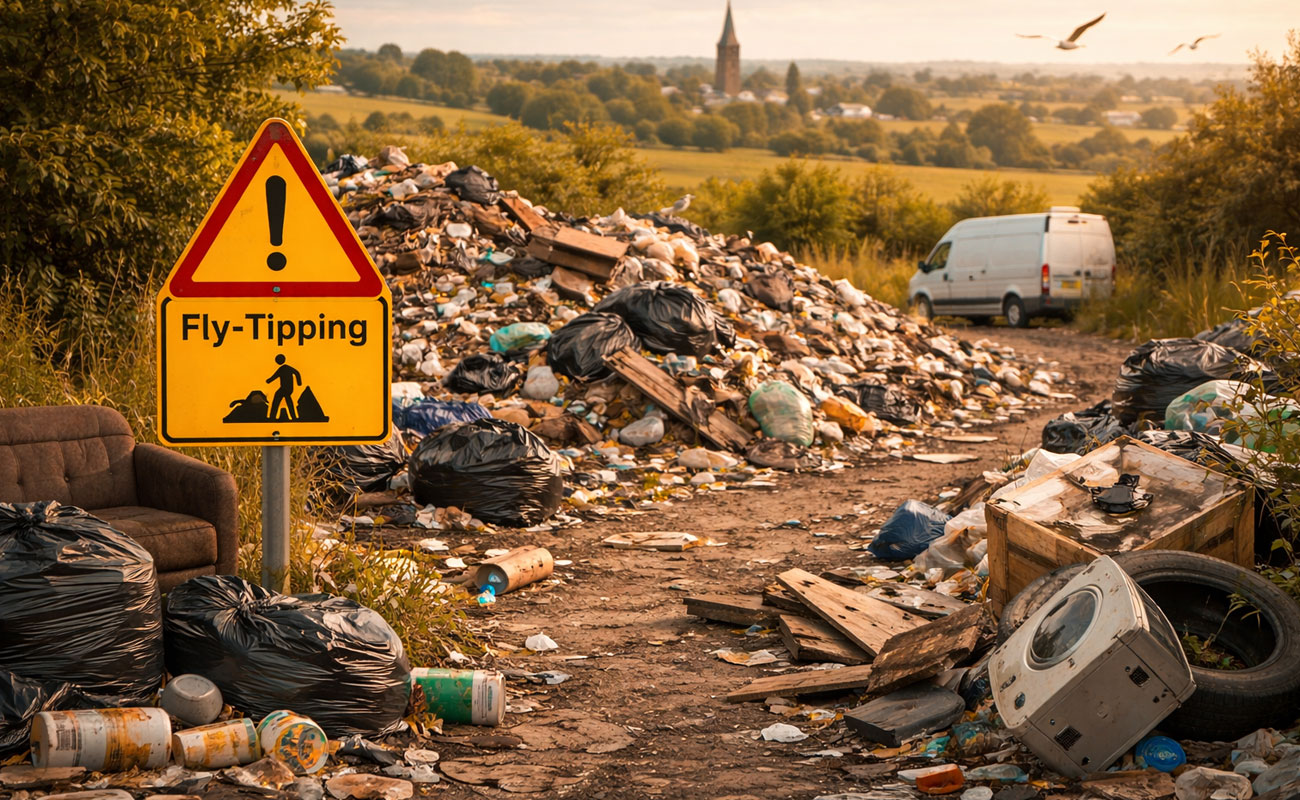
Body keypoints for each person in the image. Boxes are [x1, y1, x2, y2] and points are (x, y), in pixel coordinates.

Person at [266, 354, 302, 421]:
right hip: (288, 389)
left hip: (285, 389)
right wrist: (299, 383)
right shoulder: (286, 368)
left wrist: (269, 380)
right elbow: (297, 373)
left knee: (278, 398)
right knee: (288, 400)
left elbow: (275, 376)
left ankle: (272, 417)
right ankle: (293, 417)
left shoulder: (283, 368)